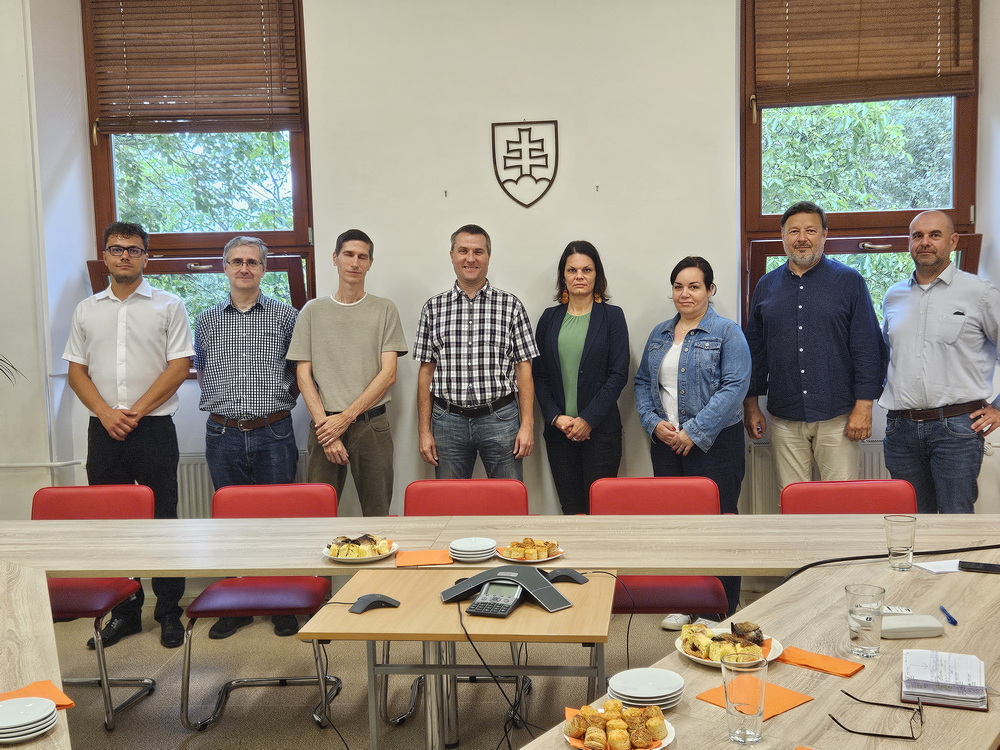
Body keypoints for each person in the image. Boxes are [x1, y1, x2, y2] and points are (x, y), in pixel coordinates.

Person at [62, 221, 192, 649]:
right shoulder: (86, 310)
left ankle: (169, 612)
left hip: (153, 427)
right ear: (105, 256)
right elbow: (76, 372)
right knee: (112, 523)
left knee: (163, 519)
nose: (124, 256)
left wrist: (134, 412)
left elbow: (179, 366)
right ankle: (125, 612)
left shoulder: (169, 305)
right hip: (103, 429)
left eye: (134, 250)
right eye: (117, 249)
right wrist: (105, 413)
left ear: (146, 258)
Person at [193, 235, 301, 640]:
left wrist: (278, 404)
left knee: (280, 520)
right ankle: (236, 604)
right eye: (236, 261)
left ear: (263, 269)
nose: (244, 268)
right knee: (230, 523)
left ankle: (281, 602)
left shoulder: (286, 316)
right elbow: (202, 370)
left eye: (252, 262)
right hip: (222, 432)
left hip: (273, 430)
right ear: (225, 267)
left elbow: (299, 371)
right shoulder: (206, 319)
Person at [634, 256, 750, 629]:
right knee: (677, 524)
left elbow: (735, 387)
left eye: (694, 286)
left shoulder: (727, 332)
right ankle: (684, 600)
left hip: (716, 444)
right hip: (666, 444)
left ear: (710, 290)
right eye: (679, 286)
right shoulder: (659, 334)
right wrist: (653, 423)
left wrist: (695, 432)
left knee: (719, 523)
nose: (685, 293)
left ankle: (718, 607)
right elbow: (642, 383)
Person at [743, 201, 885, 488]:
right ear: (782, 236)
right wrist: (751, 405)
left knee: (841, 500)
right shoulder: (766, 286)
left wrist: (864, 406)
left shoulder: (849, 282)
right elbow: (755, 350)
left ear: (824, 235)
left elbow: (867, 346)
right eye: (794, 231)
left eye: (810, 230)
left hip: (838, 414)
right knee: (792, 499)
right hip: (785, 415)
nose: (802, 238)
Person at [880, 210, 1000, 514]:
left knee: (954, 520)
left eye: (935, 235)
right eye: (917, 236)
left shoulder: (981, 293)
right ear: (909, 242)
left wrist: (999, 408)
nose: (925, 242)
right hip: (900, 430)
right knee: (909, 520)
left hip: (956, 430)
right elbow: (887, 354)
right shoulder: (893, 296)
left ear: (953, 241)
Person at [288, 229, 407, 517]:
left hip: (370, 425)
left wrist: (345, 418)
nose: (355, 263)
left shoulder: (385, 309)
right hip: (323, 424)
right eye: (348, 255)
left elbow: (388, 374)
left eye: (362, 257)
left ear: (370, 263)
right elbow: (303, 375)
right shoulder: (312, 311)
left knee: (378, 513)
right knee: (319, 513)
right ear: (335, 258)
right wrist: (328, 430)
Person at [414, 224, 539, 480]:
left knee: (509, 498)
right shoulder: (433, 308)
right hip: (447, 421)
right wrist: (424, 431)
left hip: (501, 419)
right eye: (463, 251)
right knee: (450, 500)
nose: (470, 258)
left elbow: (523, 369)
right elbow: (426, 372)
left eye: (478, 252)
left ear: (488, 256)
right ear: (452, 255)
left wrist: (527, 425)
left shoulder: (511, 306)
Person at [533, 241, 629, 515]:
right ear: (563, 275)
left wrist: (587, 419)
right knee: (571, 510)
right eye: (572, 270)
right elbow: (539, 375)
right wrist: (555, 417)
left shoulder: (612, 317)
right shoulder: (549, 318)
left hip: (601, 432)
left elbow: (618, 374)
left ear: (597, 274)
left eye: (587, 270)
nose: (579, 276)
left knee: (601, 510)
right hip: (559, 433)